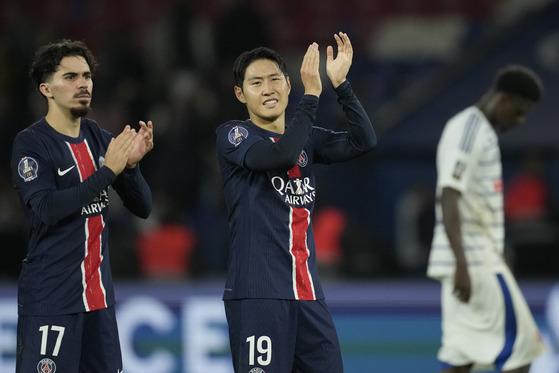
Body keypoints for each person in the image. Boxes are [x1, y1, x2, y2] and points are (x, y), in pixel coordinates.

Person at [215, 32, 376, 372]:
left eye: (275, 79)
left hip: (308, 295)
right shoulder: (234, 135)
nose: (268, 88)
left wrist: (341, 85)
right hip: (259, 294)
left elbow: (364, 141)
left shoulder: (308, 139)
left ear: (288, 84)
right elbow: (280, 154)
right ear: (240, 94)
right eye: (256, 82)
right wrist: (312, 96)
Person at [11, 39, 154, 372]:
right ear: (46, 88)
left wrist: (130, 168)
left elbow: (143, 207)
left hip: (98, 300)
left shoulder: (97, 137)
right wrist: (107, 173)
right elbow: (46, 209)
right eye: (71, 77)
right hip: (51, 300)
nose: (83, 84)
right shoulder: (31, 143)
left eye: (86, 76)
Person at [427, 64, 546, 373]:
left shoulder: (480, 131)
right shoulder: (469, 128)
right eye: (519, 112)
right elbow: (449, 194)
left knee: (462, 360)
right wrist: (463, 264)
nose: (520, 122)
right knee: (522, 351)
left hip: (476, 258)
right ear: (504, 101)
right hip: (475, 261)